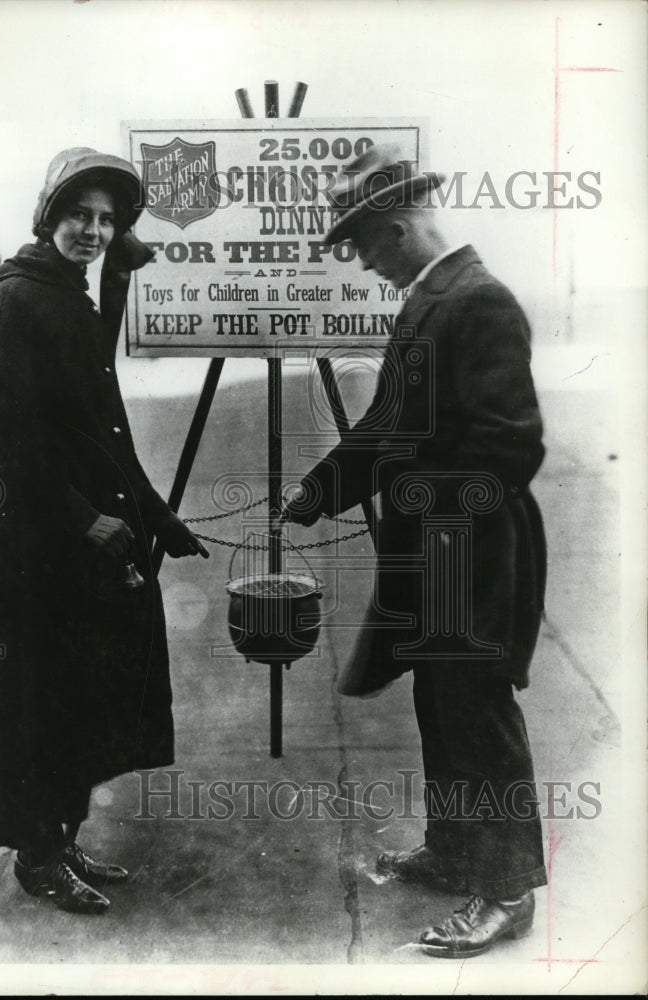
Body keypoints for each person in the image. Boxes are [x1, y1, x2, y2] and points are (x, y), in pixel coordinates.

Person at [0, 147, 206, 915]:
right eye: (80, 214)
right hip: (32, 550)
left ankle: (61, 836)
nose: (94, 230)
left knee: (78, 696)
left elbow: (92, 434)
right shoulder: (18, 302)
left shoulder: (65, 294)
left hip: (68, 544)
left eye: (108, 221)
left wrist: (155, 517)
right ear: (50, 216)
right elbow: (11, 447)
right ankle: (38, 858)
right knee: (40, 702)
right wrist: (89, 520)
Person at [279, 144, 548, 958]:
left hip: (472, 553)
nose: (362, 264)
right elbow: (388, 427)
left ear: (397, 227)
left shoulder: (480, 301)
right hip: (439, 554)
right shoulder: (434, 298)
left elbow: (512, 447)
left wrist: (426, 507)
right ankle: (457, 847)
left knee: (477, 712)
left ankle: (505, 889)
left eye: (362, 246)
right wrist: (316, 493)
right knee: (441, 704)